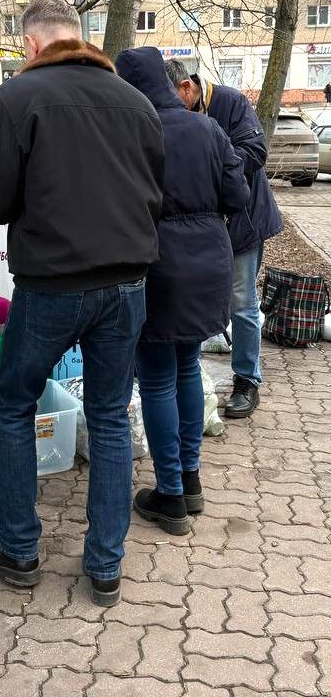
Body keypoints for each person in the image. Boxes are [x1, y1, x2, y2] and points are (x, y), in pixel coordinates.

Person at [0, 0, 165, 607]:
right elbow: (156, 193)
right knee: (108, 418)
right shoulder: (136, 102)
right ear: (81, 38)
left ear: (32, 44)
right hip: (126, 283)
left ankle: (19, 549)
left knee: (15, 404)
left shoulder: (16, 100)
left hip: (52, 284)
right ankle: (105, 565)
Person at [116, 48, 250, 535]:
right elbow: (239, 196)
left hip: (158, 265)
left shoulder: (133, 132)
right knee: (188, 367)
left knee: (155, 378)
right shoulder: (209, 127)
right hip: (208, 262)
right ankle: (189, 482)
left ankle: (169, 493)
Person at [164, 60, 282, 419]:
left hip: (243, 221)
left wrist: (210, 161)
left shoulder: (231, 103)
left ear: (187, 87)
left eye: (173, 99)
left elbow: (256, 152)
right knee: (198, 299)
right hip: (205, 229)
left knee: (241, 301)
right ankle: (192, 378)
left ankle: (247, 380)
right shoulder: (178, 114)